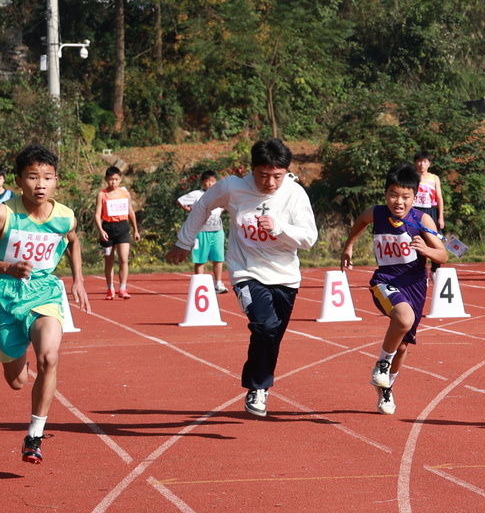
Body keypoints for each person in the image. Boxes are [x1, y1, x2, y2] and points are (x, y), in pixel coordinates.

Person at [168, 139, 320, 419]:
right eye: (264, 175)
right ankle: (257, 387)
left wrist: (279, 228)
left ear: (286, 171)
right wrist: (184, 241)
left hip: (285, 276)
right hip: (246, 272)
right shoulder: (232, 187)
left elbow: (309, 238)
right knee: (264, 325)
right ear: (252, 169)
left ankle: (260, 384)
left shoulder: (295, 193)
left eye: (277, 176)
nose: (270, 183)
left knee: (273, 335)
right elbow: (203, 206)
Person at [0, 144, 90, 464]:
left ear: (56, 181)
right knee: (17, 382)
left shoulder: (65, 216)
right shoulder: (2, 214)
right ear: (19, 180)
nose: (41, 184)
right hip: (5, 296)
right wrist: (8, 267)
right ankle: (17, 354)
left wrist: (78, 279)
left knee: (49, 358)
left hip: (44, 293)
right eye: (33, 177)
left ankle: (34, 436)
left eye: (48, 178)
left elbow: (73, 242)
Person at [341, 163, 450, 415]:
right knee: (403, 317)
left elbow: (443, 255)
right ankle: (381, 366)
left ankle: (386, 387)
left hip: (415, 285)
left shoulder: (421, 219)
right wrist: (349, 246)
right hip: (385, 281)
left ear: (414, 197)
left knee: (402, 345)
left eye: (405, 197)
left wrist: (425, 249)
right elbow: (361, 220)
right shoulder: (377, 213)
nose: (398, 202)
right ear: (385, 194)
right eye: (393, 195)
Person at [177, 170, 229, 294]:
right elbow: (180, 201)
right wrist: (190, 210)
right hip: (201, 232)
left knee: (218, 258)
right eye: (207, 181)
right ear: (202, 182)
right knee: (200, 259)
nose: (210, 184)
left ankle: (218, 283)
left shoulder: (219, 194)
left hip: (217, 231)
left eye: (212, 181)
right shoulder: (196, 194)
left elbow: (227, 203)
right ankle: (200, 286)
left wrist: (222, 209)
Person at [94, 165, 140, 299]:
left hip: (122, 227)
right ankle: (110, 288)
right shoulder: (102, 194)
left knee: (124, 259)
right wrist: (101, 230)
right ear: (106, 179)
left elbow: (130, 211)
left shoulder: (125, 193)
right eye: (110, 179)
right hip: (108, 228)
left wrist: (136, 230)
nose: (113, 182)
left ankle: (123, 288)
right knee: (109, 260)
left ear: (120, 179)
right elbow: (97, 214)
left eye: (116, 179)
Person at [412, 152, 446, 271]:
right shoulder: (412, 177)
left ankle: (435, 270)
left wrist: (440, 217)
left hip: (430, 211)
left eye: (425, 161)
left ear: (429, 164)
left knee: (434, 240)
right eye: (419, 161)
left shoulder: (434, 178)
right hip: (414, 210)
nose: (422, 164)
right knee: (416, 240)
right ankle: (418, 270)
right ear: (415, 163)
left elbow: (439, 197)